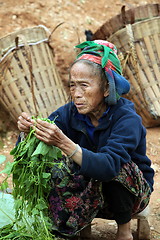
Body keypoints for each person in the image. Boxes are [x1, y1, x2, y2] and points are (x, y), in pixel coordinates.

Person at [17, 40, 154, 240]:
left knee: (118, 167)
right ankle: (77, 227)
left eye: (84, 86)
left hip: (131, 196)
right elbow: (40, 144)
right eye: (72, 86)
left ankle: (124, 231)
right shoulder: (69, 113)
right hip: (89, 195)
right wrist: (28, 131)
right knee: (56, 167)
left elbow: (108, 167)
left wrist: (64, 143)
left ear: (106, 89)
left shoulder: (127, 118)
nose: (76, 94)